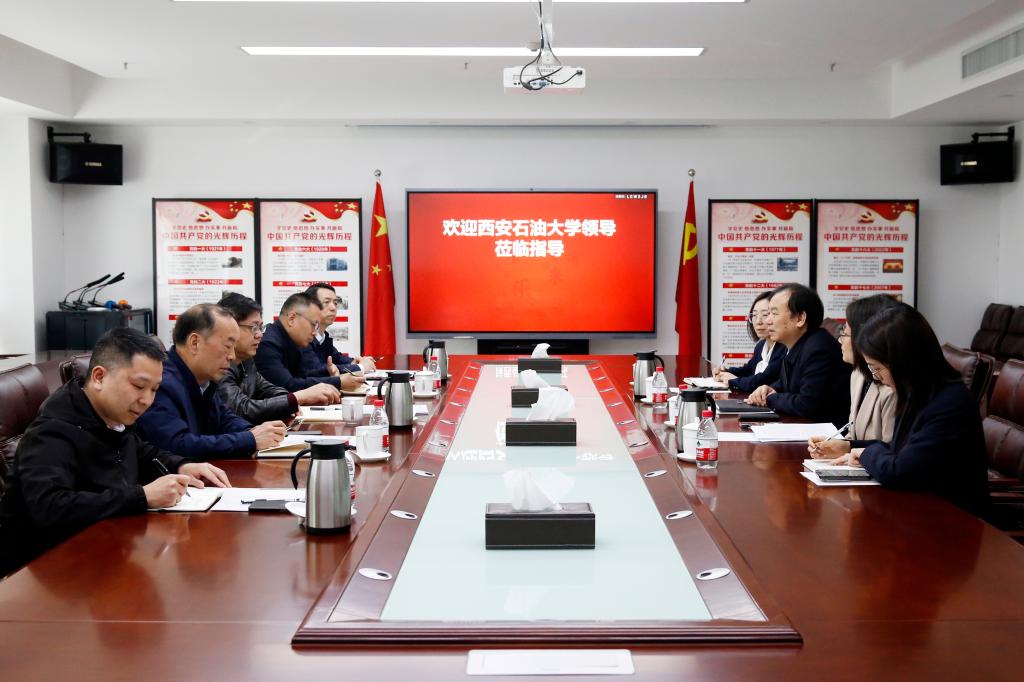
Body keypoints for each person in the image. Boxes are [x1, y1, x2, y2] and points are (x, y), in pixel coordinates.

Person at [0, 328, 230, 576]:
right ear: (99, 377)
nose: (147, 400)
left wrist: (181, 465)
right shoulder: (51, 433)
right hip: (49, 571)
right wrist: (142, 497)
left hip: (105, 550)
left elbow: (140, 451)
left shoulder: (111, 415)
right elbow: (51, 507)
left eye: (154, 390)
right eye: (139, 386)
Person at [808, 304, 989, 515]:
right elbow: (899, 448)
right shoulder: (919, 392)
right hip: (919, 508)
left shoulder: (949, 404)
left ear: (904, 361)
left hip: (952, 519)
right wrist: (849, 447)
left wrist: (865, 455)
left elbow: (901, 470)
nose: (875, 376)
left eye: (877, 368)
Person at [138, 303, 286, 459]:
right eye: (227, 346)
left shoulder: (203, 380)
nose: (232, 356)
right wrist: (250, 440)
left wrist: (252, 431)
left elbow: (224, 418)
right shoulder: (161, 384)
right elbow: (178, 445)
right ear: (195, 343)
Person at [216, 293, 340, 423]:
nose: (259, 334)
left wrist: (290, 403)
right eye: (253, 328)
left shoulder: (246, 359)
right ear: (230, 328)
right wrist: (297, 398)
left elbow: (267, 389)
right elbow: (241, 409)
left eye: (260, 327)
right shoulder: (220, 363)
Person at [746, 283, 850, 426]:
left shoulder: (819, 348)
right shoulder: (795, 344)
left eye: (774, 313)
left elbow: (807, 404)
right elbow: (788, 383)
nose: (768, 321)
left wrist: (770, 398)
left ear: (800, 318)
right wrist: (771, 389)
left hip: (824, 435)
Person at [254, 292, 366, 393]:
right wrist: (338, 382)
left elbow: (309, 373)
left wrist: (334, 377)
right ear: (292, 319)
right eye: (314, 324)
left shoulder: (296, 339)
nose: (314, 332)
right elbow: (287, 386)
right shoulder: (267, 343)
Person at [841, 295, 899, 441]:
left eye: (845, 334)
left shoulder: (891, 386)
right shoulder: (858, 374)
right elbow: (852, 432)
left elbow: (890, 447)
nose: (840, 340)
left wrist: (849, 448)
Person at [712, 291, 783, 393]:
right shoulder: (761, 346)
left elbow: (762, 380)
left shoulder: (785, 347)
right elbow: (748, 370)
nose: (758, 321)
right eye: (754, 315)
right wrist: (725, 372)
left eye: (765, 314)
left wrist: (732, 380)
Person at [303, 282, 377, 377]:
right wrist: (360, 367)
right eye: (327, 302)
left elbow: (336, 358)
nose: (333, 308)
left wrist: (354, 362)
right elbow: (317, 370)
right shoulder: (302, 337)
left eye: (335, 303)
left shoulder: (323, 336)